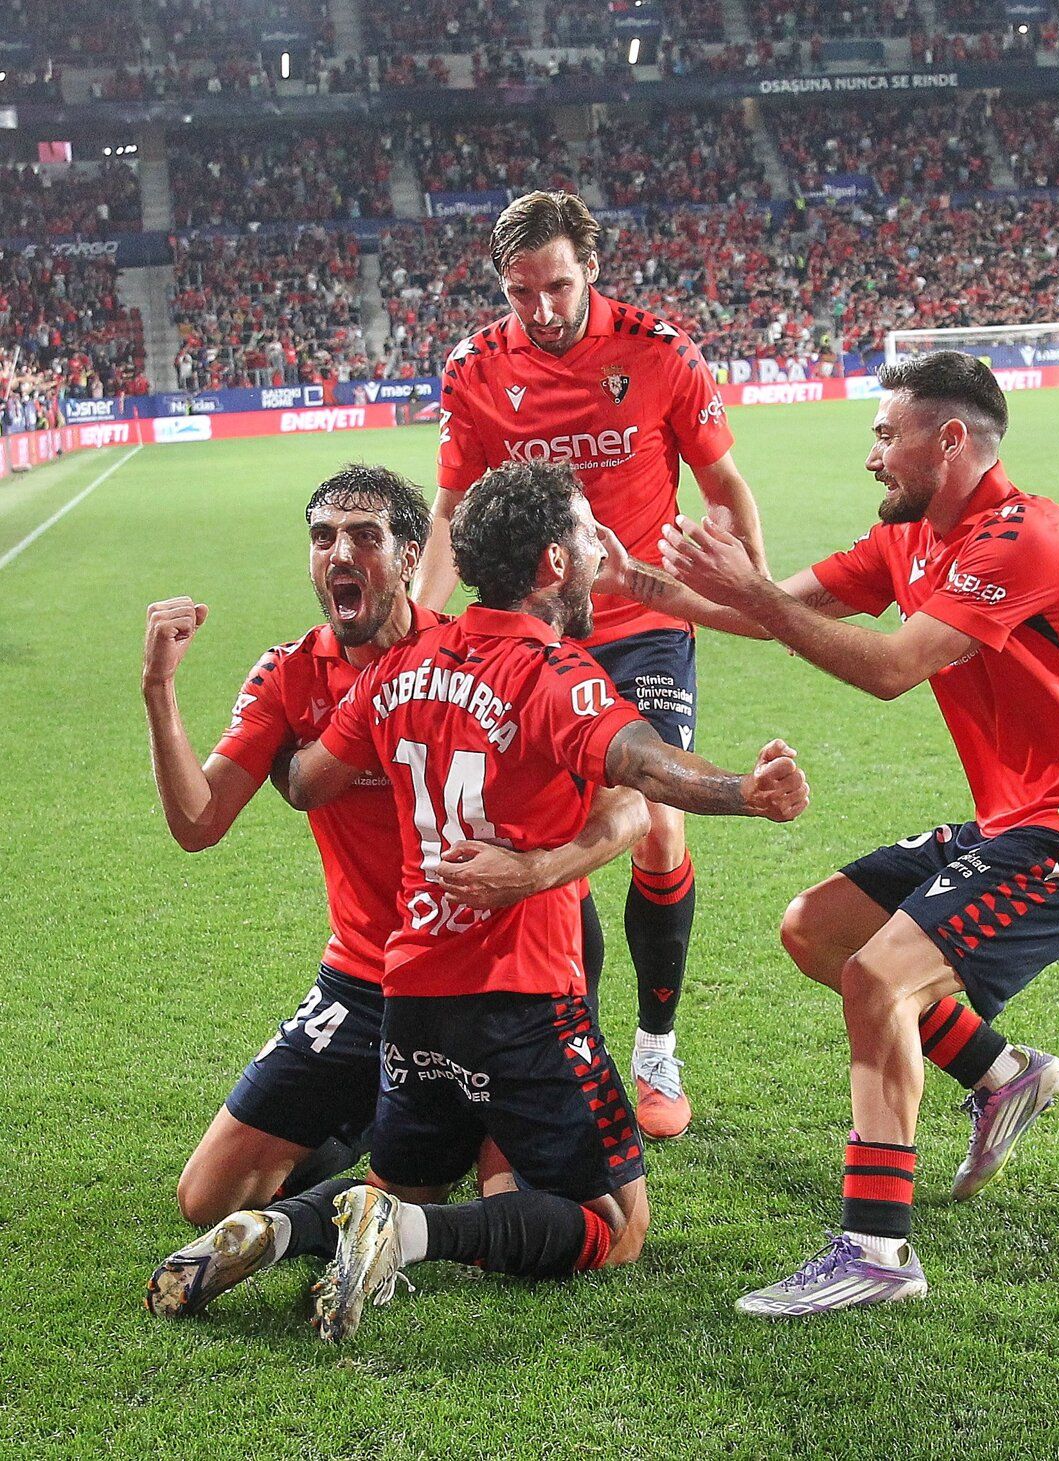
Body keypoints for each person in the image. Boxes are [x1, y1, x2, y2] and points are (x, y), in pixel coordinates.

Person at [169, 460, 806, 1343]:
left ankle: (283, 1229)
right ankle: (409, 1236)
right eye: (587, 534)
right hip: (524, 991)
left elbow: (308, 782)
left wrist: (276, 708)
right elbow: (644, 766)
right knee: (613, 1228)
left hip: (414, 988)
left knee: (402, 1179)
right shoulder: (555, 673)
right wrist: (744, 790)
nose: (602, 549)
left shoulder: (397, 670)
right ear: (555, 561)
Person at [597, 351, 1059, 1313]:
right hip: (1015, 823)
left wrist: (754, 591)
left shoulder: (1024, 536)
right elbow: (777, 610)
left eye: (886, 435)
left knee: (878, 976)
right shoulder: (909, 539)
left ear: (950, 440)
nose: (871, 456)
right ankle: (1002, 1072)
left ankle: (877, 1250)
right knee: (816, 929)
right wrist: (637, 582)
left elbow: (894, 667)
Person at [142, 464, 647, 1307]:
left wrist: (536, 870)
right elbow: (198, 822)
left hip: (502, 968)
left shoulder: (475, 651)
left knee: (507, 1216)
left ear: (412, 556)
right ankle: (381, 1140)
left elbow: (617, 795)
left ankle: (404, 1164)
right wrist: (160, 689)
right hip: (366, 976)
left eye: (365, 536)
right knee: (210, 1193)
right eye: (323, 537)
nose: (340, 553)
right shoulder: (292, 675)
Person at [413, 190, 769, 1140]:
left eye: (559, 286)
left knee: (653, 819)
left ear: (592, 270)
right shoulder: (476, 368)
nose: (541, 309)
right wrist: (419, 624)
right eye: (520, 291)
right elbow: (449, 510)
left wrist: (754, 590)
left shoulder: (659, 352)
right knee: (550, 836)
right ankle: (578, 1043)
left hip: (644, 622)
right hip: (535, 629)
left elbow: (725, 484)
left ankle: (656, 1047)